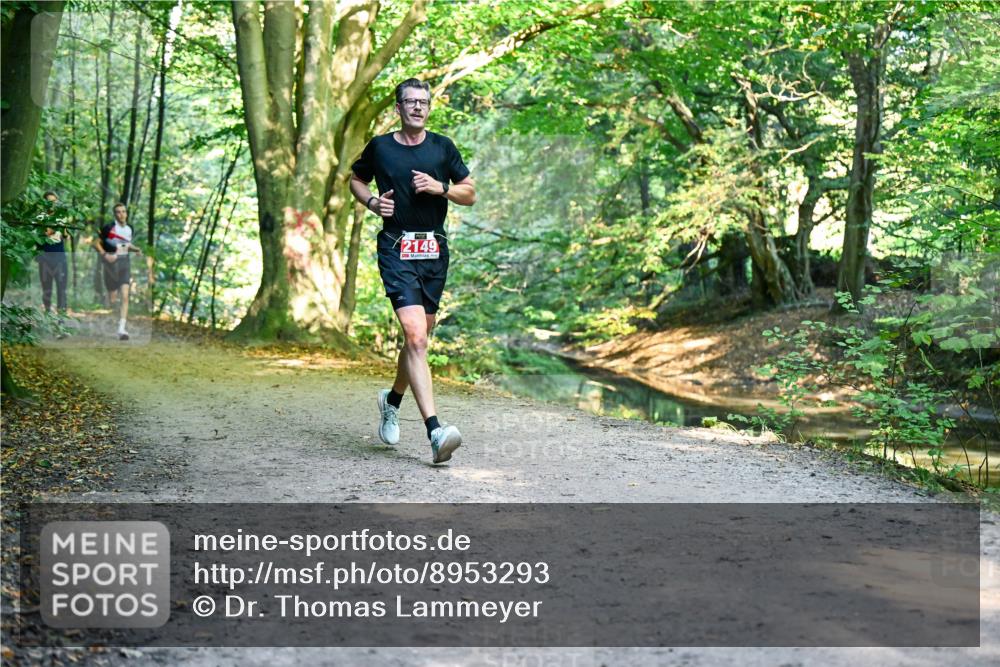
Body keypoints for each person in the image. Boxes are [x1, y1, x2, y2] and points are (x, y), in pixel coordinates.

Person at [350, 77, 477, 464]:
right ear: (398, 108)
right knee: (416, 338)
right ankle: (436, 432)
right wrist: (372, 202)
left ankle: (392, 401)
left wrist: (441, 188)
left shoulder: (442, 148)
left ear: (429, 108)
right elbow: (356, 179)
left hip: (434, 251)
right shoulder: (381, 147)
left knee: (418, 341)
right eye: (410, 102)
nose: (418, 108)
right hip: (396, 248)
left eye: (423, 102)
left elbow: (469, 193)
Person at [93, 202, 138, 340]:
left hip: (125, 263)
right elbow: (95, 243)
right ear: (115, 214)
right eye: (118, 212)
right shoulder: (109, 227)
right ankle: (109, 322)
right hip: (111, 265)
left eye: (123, 211)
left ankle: (121, 329)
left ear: (126, 213)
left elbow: (126, 244)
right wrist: (105, 255)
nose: (121, 214)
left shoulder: (130, 228)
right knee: (112, 300)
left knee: (125, 295)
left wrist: (135, 249)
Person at [36, 191, 68, 316]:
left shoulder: (62, 217)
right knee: (47, 290)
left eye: (54, 201)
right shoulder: (40, 218)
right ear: (44, 203)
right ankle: (47, 317)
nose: (52, 204)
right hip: (45, 258)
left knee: (62, 290)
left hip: (60, 257)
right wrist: (55, 226)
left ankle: (60, 321)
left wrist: (64, 229)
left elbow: (65, 236)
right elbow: (44, 234)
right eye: (49, 201)